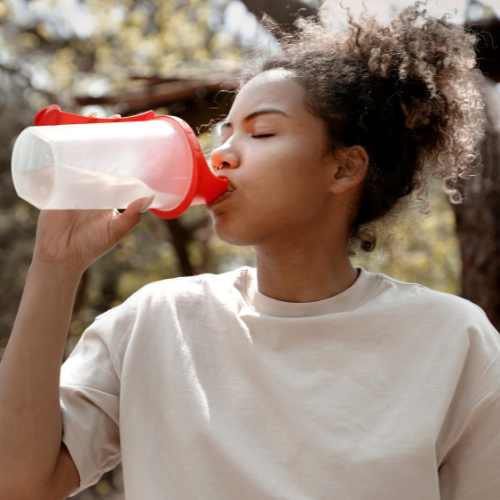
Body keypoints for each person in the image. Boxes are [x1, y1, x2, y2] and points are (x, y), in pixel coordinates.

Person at [1, 3, 499, 500]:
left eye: (261, 132)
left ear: (345, 169)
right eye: (224, 133)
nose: (220, 154)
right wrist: (54, 267)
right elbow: (19, 482)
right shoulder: (153, 323)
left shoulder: (455, 341)